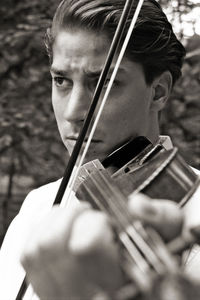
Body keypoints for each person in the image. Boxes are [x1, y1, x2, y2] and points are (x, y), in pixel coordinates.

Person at [0, 0, 200, 299]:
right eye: (61, 80)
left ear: (158, 92)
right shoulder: (38, 207)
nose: (73, 111)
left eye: (103, 82)